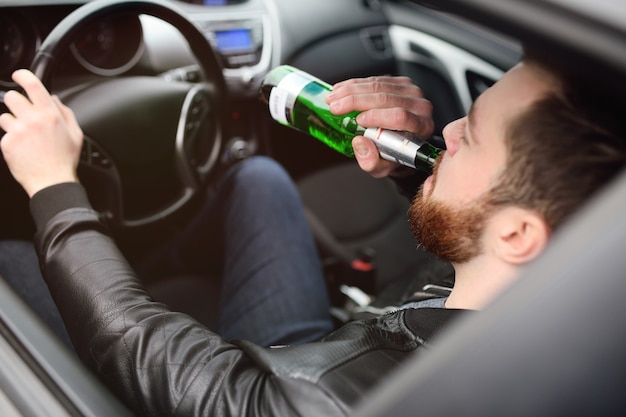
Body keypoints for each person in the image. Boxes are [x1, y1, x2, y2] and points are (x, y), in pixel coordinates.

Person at [1, 48, 624, 417]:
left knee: (13, 260)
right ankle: (154, 258)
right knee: (261, 178)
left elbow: (137, 346)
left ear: (519, 234)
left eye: (476, 134)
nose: (452, 128)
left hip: (275, 380)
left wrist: (53, 183)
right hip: (318, 350)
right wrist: (421, 180)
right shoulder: (547, 302)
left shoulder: (335, 404)